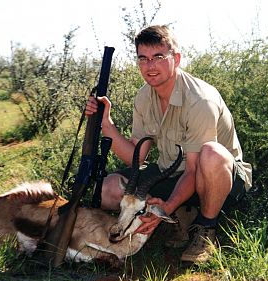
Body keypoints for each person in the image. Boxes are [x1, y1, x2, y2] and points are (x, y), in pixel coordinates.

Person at [85, 25, 252, 263]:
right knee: (106, 189)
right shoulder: (144, 97)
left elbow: (194, 169)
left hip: (216, 178)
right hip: (172, 174)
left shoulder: (200, 100)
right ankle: (182, 217)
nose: (150, 66)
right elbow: (136, 156)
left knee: (212, 154)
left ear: (177, 58)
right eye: (143, 59)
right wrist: (106, 125)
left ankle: (206, 228)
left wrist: (167, 206)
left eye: (158, 57)